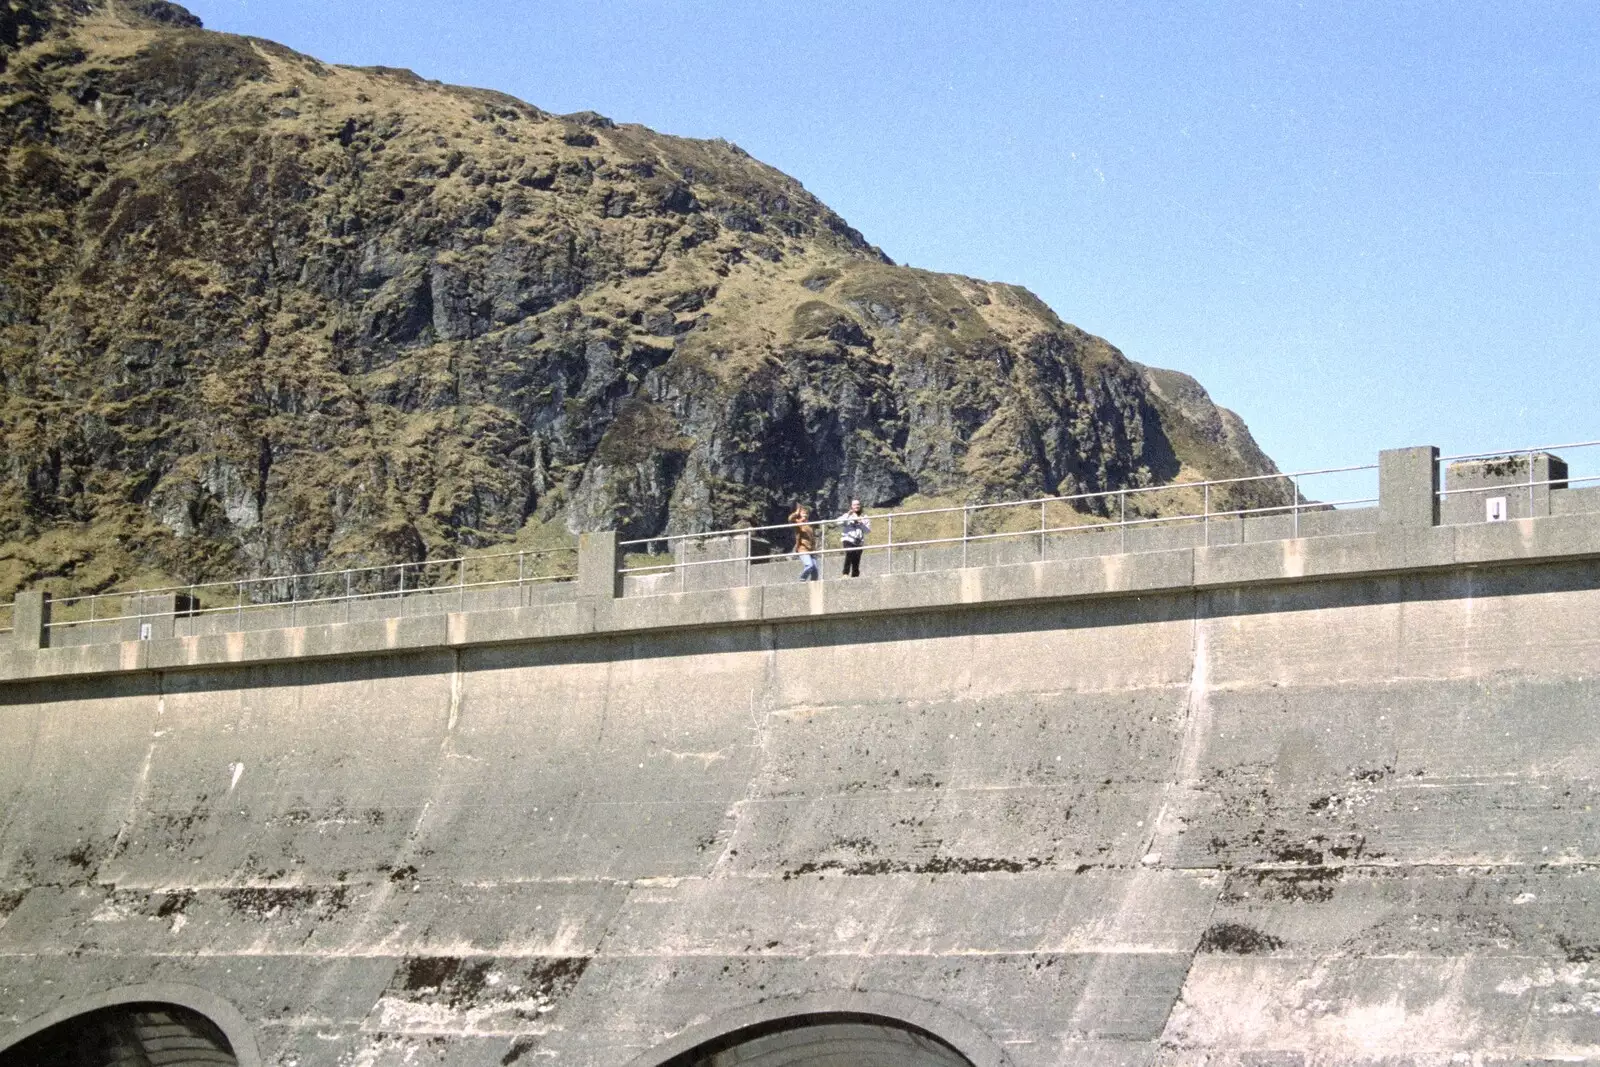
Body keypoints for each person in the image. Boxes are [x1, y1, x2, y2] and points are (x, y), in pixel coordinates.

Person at [838, 498, 870, 577]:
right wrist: (848, 515)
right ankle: (845, 573)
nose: (856, 506)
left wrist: (861, 523)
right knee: (849, 553)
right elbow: (838, 522)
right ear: (851, 506)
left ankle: (855, 575)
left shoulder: (864, 516)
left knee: (856, 560)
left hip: (859, 541)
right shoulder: (847, 515)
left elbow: (867, 531)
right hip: (848, 538)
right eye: (854, 505)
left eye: (858, 504)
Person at [788, 504, 819, 581]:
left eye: (806, 513)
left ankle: (813, 584)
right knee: (809, 565)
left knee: (815, 571)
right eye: (803, 513)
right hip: (803, 548)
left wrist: (814, 549)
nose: (805, 514)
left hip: (811, 550)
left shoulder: (809, 525)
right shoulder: (798, 523)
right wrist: (797, 512)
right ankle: (802, 579)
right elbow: (790, 519)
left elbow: (812, 538)